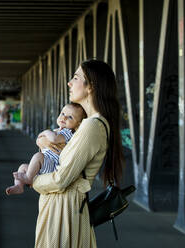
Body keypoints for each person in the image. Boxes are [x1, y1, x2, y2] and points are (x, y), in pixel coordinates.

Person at [31, 59, 124, 247]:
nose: (69, 83)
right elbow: (46, 143)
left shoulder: (91, 126)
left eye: (75, 77)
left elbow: (61, 179)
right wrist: (43, 142)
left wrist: (32, 180)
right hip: (65, 207)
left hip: (63, 210)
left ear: (91, 86)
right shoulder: (89, 124)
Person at [5, 103, 86, 195]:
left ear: (78, 124)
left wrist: (45, 132)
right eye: (63, 114)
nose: (64, 118)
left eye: (70, 117)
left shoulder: (68, 133)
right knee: (23, 167)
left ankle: (28, 178)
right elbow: (41, 140)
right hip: (45, 163)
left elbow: (53, 139)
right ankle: (19, 186)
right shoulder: (57, 131)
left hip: (52, 164)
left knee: (38, 156)